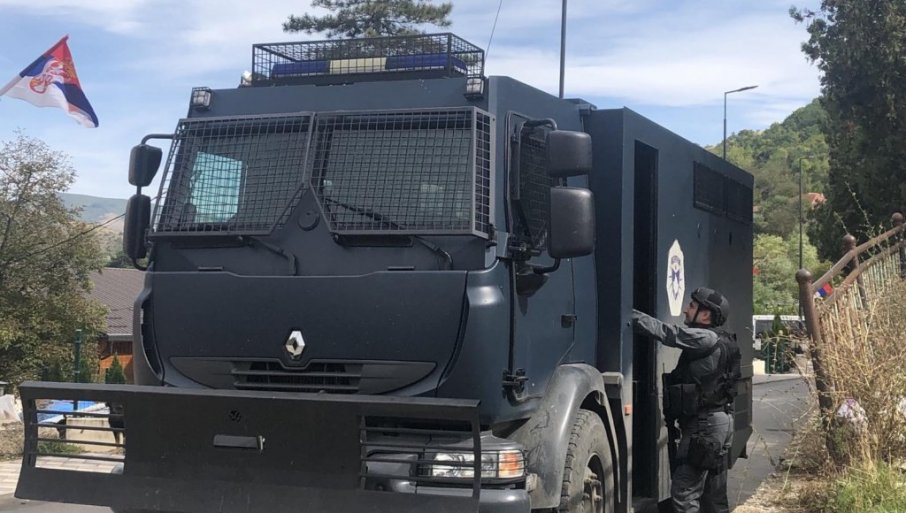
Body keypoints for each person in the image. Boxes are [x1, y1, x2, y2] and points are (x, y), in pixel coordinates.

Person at [632, 287, 741, 513]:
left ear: (705, 314)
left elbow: (667, 333)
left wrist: (628, 314)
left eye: (692, 306)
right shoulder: (724, 340)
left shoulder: (706, 338)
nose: (685, 310)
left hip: (705, 427)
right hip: (720, 423)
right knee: (713, 498)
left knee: (685, 492)